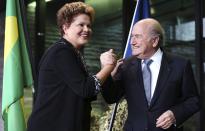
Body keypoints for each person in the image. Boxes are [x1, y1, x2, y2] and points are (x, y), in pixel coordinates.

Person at [27, 2, 116, 131]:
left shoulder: (71, 52)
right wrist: (108, 67)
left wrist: (108, 72)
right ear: (65, 27)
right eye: (81, 25)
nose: (86, 29)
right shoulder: (61, 52)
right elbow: (86, 89)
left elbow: (88, 93)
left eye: (89, 26)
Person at [101, 18, 199, 131]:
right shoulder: (125, 65)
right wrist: (106, 70)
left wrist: (175, 114)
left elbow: (193, 100)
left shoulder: (180, 65)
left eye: (137, 36)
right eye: (132, 36)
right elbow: (111, 97)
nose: (132, 42)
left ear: (154, 41)